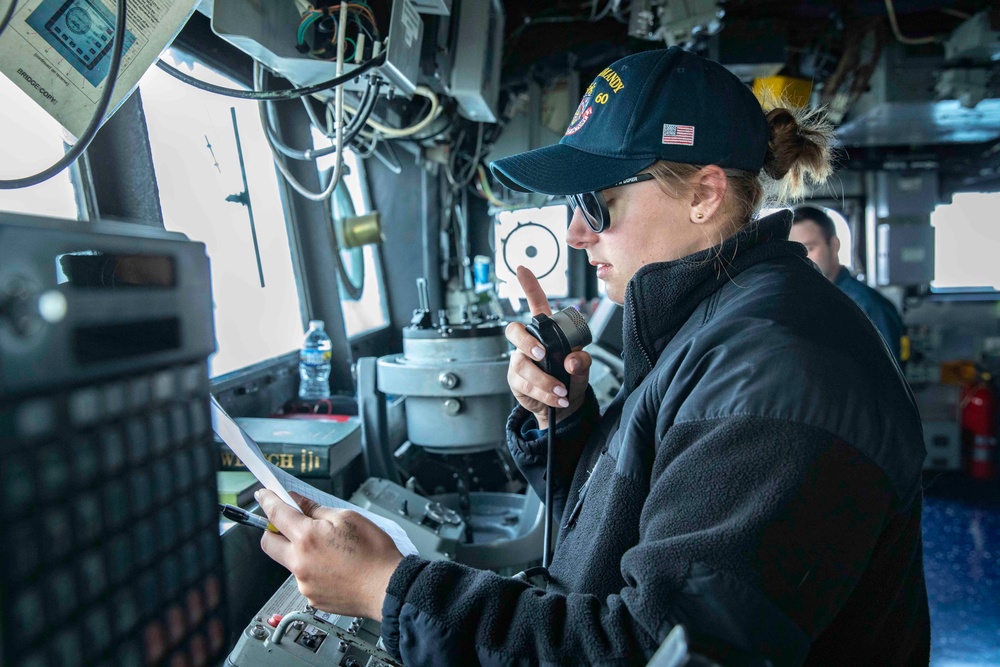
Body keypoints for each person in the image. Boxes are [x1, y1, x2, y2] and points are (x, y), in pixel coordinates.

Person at [255, 47, 930, 665]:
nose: (576, 233)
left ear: (704, 193)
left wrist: (388, 588)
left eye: (596, 202)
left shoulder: (777, 373)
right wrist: (567, 420)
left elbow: (649, 649)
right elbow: (653, 515)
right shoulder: (711, 323)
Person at [789, 205, 904, 360]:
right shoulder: (805, 300)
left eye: (809, 248)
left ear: (834, 245)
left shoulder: (868, 306)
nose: (803, 258)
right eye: (796, 251)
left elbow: (888, 377)